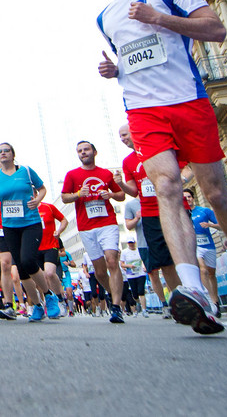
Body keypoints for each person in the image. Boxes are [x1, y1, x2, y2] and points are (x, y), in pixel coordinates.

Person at [95, 0, 227, 332]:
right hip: (143, 111)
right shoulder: (105, 16)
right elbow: (134, 59)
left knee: (217, 194)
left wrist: (160, 18)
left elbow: (216, 30)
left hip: (189, 102)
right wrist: (115, 71)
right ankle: (194, 291)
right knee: (168, 187)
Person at [114, 123, 180, 316]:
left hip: (172, 207)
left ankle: (193, 294)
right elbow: (134, 191)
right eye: (121, 137)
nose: (123, 139)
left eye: (125, 135)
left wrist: (180, 182)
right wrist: (121, 185)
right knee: (164, 262)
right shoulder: (128, 162)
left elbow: (183, 168)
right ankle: (175, 302)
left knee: (181, 253)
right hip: (150, 213)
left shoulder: (158, 149)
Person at [0, 143, 56, 321]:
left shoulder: (25, 170)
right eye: (0, 152)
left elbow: (42, 189)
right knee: (22, 269)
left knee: (28, 260)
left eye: (6, 151)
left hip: (30, 222)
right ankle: (37, 305)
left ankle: (49, 295)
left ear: (13, 154)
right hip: (10, 227)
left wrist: (38, 200)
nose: (3, 154)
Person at [60, 141, 126, 323]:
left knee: (112, 260)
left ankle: (116, 306)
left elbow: (121, 194)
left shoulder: (105, 173)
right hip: (86, 226)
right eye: (80, 151)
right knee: (100, 272)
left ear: (94, 152)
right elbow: (65, 197)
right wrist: (78, 194)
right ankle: (115, 293)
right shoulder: (72, 175)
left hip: (107, 223)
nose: (83, 153)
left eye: (86, 149)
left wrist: (111, 195)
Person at [184, 189, 221, 314]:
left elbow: (221, 225)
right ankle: (209, 301)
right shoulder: (181, 215)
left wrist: (210, 225)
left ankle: (216, 301)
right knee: (203, 270)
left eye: (189, 196)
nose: (187, 199)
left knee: (211, 274)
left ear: (193, 198)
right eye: (185, 197)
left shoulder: (204, 211)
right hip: (195, 247)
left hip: (209, 245)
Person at [37, 201, 68, 314]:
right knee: (42, 278)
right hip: (35, 248)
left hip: (51, 245)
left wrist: (59, 231)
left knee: (49, 273)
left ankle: (60, 300)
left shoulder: (48, 207)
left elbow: (64, 220)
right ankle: (49, 302)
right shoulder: (25, 209)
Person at [121, 238, 148, 317]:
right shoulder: (125, 252)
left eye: (132, 243)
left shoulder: (139, 250)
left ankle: (144, 310)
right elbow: (122, 264)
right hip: (131, 275)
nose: (131, 244)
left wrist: (145, 267)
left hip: (140, 273)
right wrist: (129, 266)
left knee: (141, 291)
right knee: (135, 294)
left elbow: (143, 260)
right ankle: (138, 303)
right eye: (129, 243)